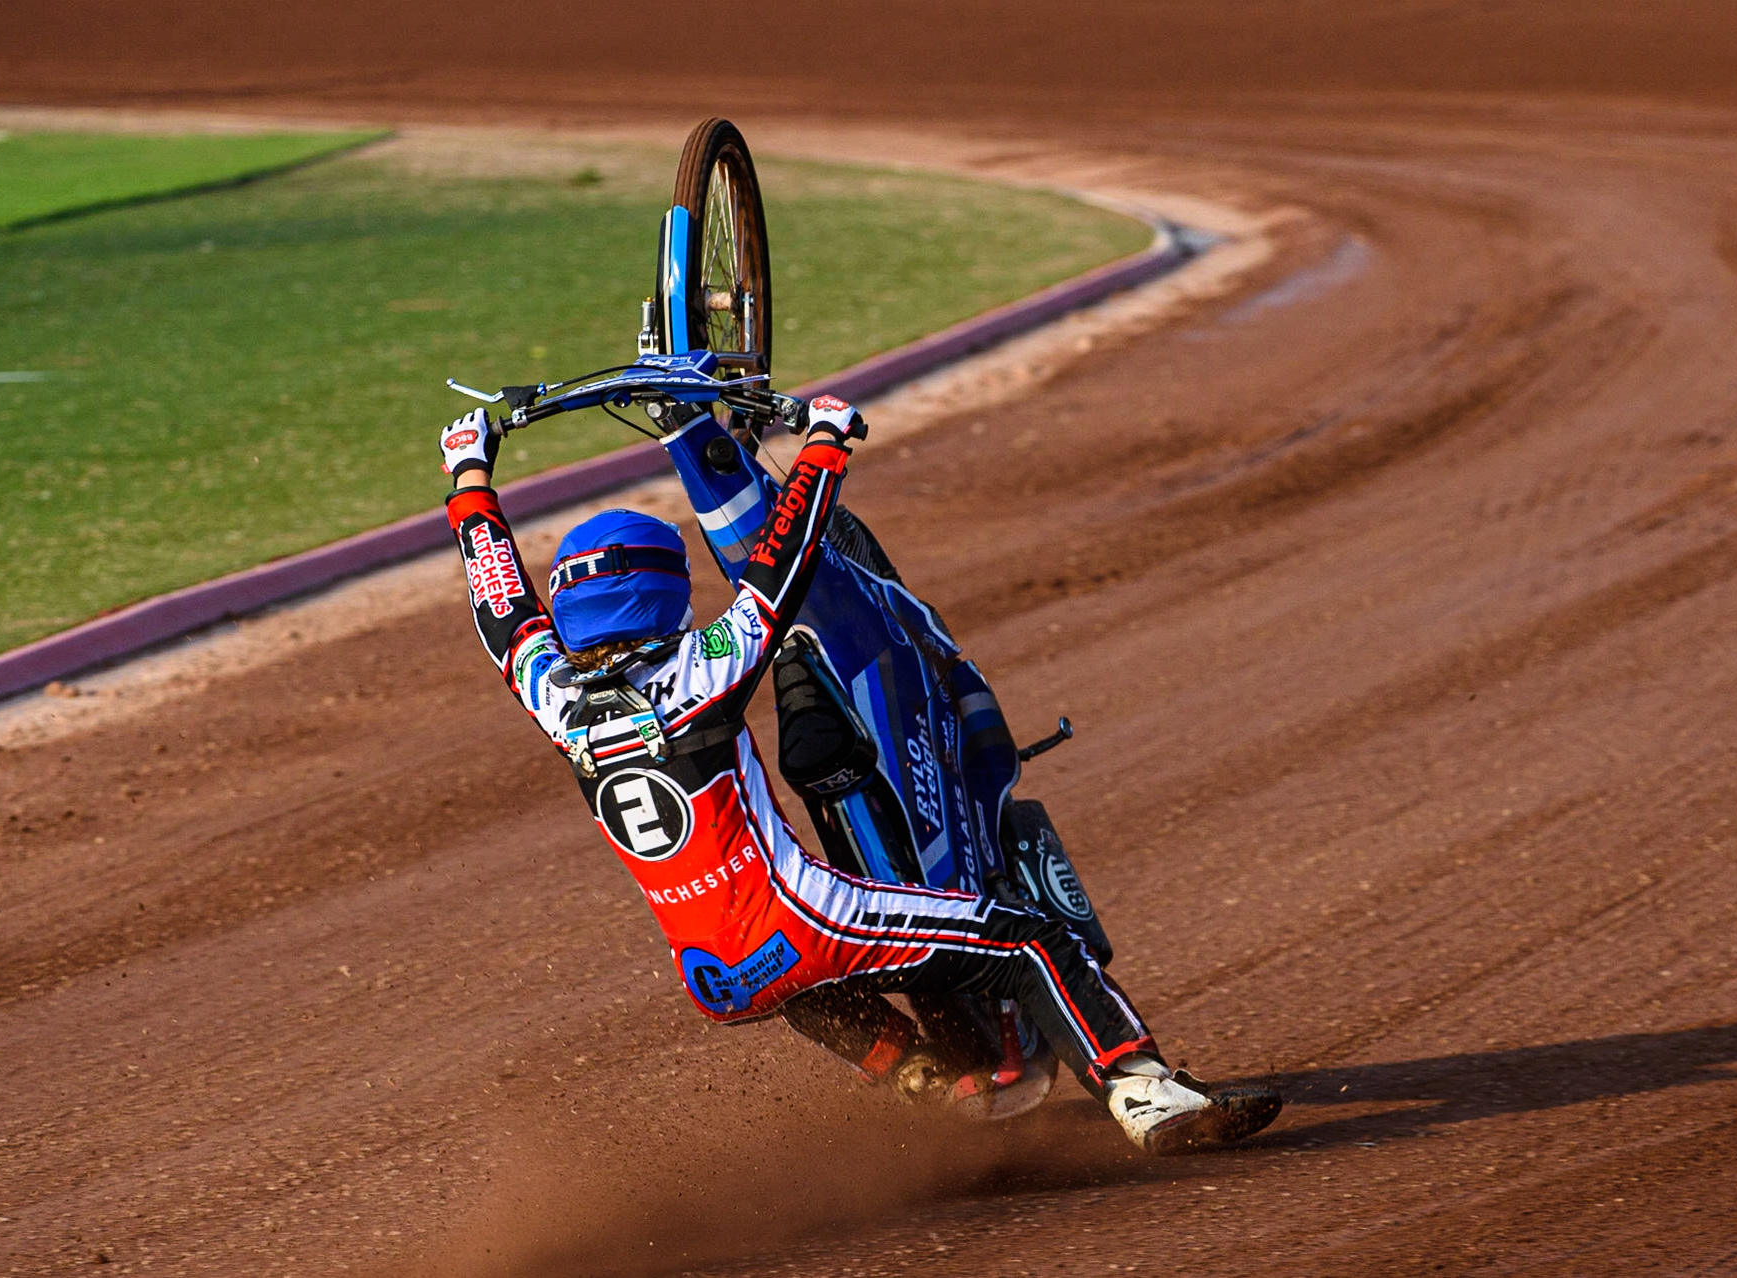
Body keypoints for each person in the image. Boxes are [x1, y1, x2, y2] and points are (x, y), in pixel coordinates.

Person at [437, 396, 1280, 1155]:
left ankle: (932, 1083)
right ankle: (1144, 1095)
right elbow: (786, 565)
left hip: (716, 974)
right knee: (1026, 937)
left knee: (804, 978)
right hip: (807, 922)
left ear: (568, 604)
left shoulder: (546, 688)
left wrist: (468, 470)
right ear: (662, 592)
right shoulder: (703, 669)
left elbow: (496, 596)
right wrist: (824, 446)